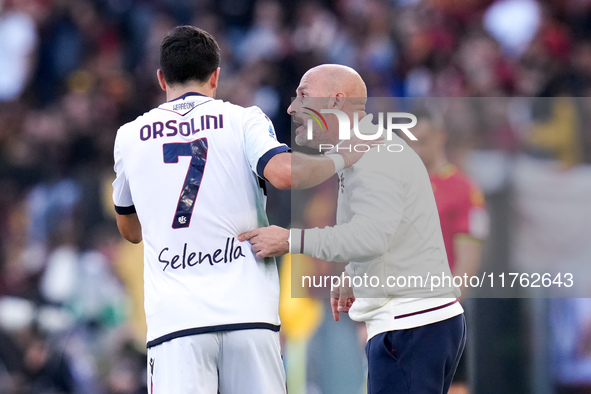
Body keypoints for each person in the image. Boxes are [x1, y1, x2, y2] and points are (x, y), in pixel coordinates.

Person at [112, 27, 365, 393]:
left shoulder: (129, 137)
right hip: (248, 313)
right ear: (216, 76)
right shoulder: (243, 119)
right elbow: (283, 174)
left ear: (161, 78)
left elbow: (130, 231)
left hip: (177, 321)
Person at [239, 64, 466, 394]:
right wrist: (354, 273)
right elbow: (391, 229)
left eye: (303, 96)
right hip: (419, 323)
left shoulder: (373, 156)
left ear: (335, 102)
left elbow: (372, 236)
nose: (291, 108)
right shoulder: (370, 149)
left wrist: (290, 240)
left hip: (409, 325)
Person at [405, 112, 488, 394]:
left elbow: (468, 262)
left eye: (423, 141)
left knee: (451, 385)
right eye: (410, 142)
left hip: (441, 310)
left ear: (440, 137)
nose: (416, 149)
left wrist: (441, 310)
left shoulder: (464, 190)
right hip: (400, 306)